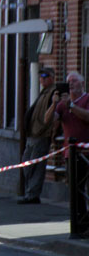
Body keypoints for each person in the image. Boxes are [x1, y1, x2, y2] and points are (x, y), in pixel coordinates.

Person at [45, 71, 89, 232]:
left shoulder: (86, 99)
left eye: (74, 81)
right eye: (68, 82)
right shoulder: (62, 104)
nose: (71, 84)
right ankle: (80, 223)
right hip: (71, 154)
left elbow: (87, 117)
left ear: (82, 83)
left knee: (82, 188)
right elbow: (49, 121)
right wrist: (53, 103)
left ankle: (83, 222)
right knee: (75, 188)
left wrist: (72, 105)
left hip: (86, 153)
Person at [18, 67, 56, 204]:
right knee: (26, 164)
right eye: (40, 76)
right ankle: (30, 192)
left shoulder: (53, 92)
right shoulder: (43, 92)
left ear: (52, 77)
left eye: (45, 76)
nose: (41, 79)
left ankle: (33, 195)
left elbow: (52, 115)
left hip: (41, 135)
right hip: (32, 134)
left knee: (36, 166)